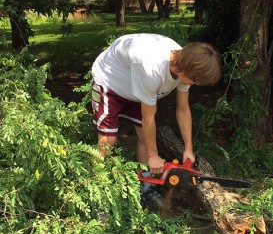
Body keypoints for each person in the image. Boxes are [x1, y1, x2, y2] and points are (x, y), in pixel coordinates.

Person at [91, 33, 221, 174]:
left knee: (144, 136)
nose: (194, 85)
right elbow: (149, 117)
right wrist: (153, 156)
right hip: (110, 80)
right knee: (108, 139)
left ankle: (145, 183)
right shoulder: (151, 69)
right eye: (195, 81)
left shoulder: (187, 64)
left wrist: (188, 148)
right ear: (185, 71)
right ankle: (97, 180)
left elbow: (183, 109)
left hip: (138, 85)